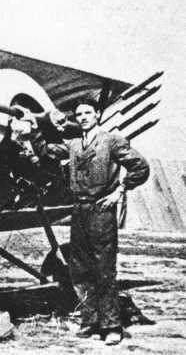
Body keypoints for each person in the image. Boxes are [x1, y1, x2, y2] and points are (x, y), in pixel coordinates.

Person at [63, 98, 149, 345]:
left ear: (97, 114)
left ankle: (112, 326)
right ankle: (90, 321)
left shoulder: (111, 140)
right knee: (79, 269)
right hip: (79, 210)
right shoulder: (74, 144)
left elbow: (140, 166)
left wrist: (120, 190)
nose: (83, 117)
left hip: (101, 210)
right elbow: (48, 150)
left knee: (104, 269)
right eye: (79, 114)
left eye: (88, 112)